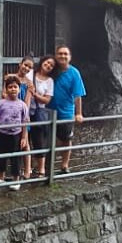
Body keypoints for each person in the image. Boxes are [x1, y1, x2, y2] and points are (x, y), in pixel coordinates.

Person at [48, 45, 86, 173]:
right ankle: (44, 167)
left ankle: (64, 165)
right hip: (48, 111)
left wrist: (78, 113)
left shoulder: (74, 73)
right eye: (60, 53)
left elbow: (78, 95)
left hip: (66, 112)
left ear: (70, 57)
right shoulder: (51, 69)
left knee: (66, 139)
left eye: (65, 54)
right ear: (55, 55)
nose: (62, 56)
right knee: (46, 140)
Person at [0, 73, 29, 191]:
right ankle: (0, 178)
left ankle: (16, 180)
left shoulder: (22, 105)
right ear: (6, 89)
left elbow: (25, 122)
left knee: (16, 158)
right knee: (0, 156)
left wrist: (24, 137)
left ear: (19, 89)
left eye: (15, 87)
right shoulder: (1, 103)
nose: (13, 89)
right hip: (2, 134)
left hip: (16, 135)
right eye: (10, 87)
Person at [28, 54, 55, 177]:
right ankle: (27, 168)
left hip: (39, 113)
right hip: (26, 112)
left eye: (51, 65)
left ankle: (41, 169)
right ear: (42, 61)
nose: (48, 65)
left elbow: (47, 100)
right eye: (47, 62)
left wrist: (35, 95)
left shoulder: (49, 81)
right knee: (25, 140)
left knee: (39, 140)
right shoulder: (31, 73)